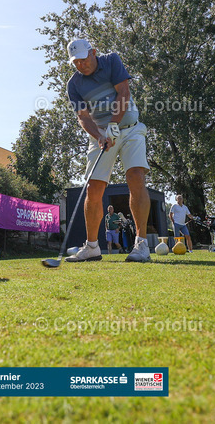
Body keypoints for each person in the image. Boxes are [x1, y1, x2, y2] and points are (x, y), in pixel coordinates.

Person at [63, 38, 152, 263]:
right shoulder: (74, 84)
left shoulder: (111, 61)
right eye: (76, 63)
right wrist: (101, 135)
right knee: (94, 188)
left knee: (135, 176)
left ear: (93, 52)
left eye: (84, 59)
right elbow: (83, 117)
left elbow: (123, 92)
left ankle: (141, 245)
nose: (81, 65)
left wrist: (114, 124)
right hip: (101, 134)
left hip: (130, 128)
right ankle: (92, 247)